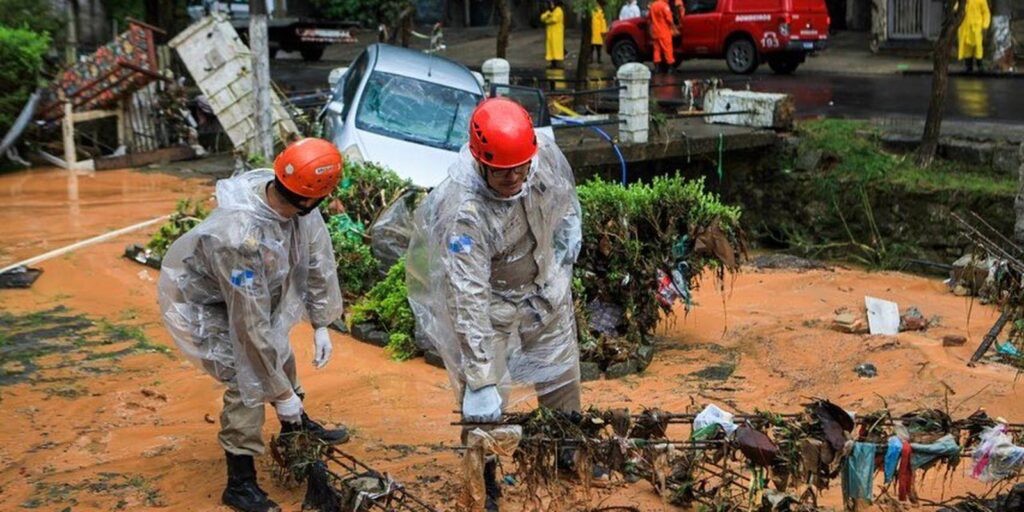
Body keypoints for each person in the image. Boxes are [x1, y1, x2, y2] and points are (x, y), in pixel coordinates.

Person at [406, 97, 583, 512]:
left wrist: (569, 232)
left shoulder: (539, 157)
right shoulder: (463, 211)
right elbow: (467, 295)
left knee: (562, 376)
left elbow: (565, 199)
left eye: (521, 167)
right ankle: (483, 477)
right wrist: (482, 380)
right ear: (481, 161)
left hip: (544, 285)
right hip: (491, 305)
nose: (515, 177)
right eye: (504, 171)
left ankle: (568, 452)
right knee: (483, 407)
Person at [158, 138, 349, 512]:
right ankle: (240, 482)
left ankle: (297, 425)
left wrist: (322, 321)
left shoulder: (298, 204)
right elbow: (248, 325)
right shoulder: (238, 237)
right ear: (309, 197)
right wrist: (279, 394)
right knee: (247, 379)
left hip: (257, 298)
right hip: (209, 305)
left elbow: (316, 261)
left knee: (278, 354)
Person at [958, 0, 991, 73]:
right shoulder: (963, 1)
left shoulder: (981, 1)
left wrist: (985, 25)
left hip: (976, 27)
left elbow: (986, 12)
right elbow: (957, 9)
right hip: (966, 27)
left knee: (978, 47)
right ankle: (968, 66)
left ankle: (980, 65)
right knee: (967, 47)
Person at [649, 0, 676, 72]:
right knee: (668, 49)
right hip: (664, 31)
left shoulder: (653, 5)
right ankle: (670, 67)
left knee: (656, 50)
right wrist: (674, 27)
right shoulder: (665, 6)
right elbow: (669, 19)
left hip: (655, 32)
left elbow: (649, 18)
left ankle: (657, 68)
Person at [540, 1, 565, 68]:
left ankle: (558, 63)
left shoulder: (558, 10)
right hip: (550, 32)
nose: (551, 5)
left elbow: (554, 19)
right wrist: (548, 15)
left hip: (557, 33)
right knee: (551, 48)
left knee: (556, 48)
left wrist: (546, 20)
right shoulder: (549, 11)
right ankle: (552, 63)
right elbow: (542, 17)